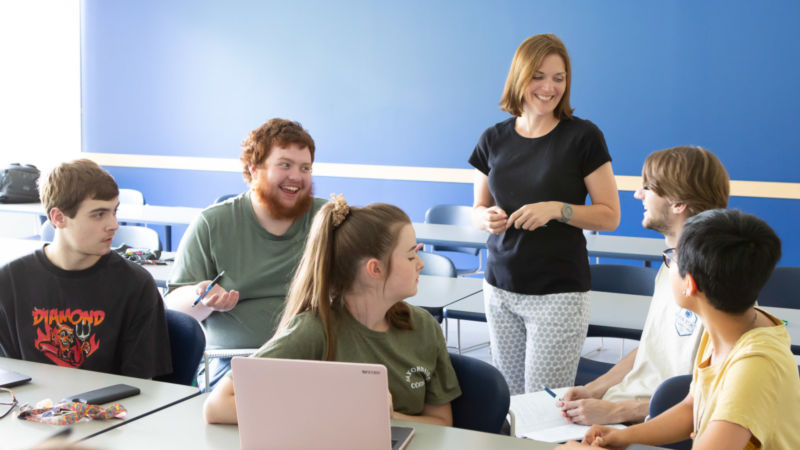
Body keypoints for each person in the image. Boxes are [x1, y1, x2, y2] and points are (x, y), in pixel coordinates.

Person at [203, 196, 461, 425]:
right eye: (410, 256)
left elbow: (441, 421)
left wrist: (389, 418)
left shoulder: (424, 327)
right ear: (375, 269)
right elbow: (217, 406)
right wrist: (337, 410)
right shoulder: (314, 329)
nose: (421, 263)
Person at [558, 209, 800, 449]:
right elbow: (691, 407)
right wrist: (625, 436)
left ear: (690, 284)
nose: (669, 262)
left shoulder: (754, 366)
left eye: (673, 257)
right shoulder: (726, 328)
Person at [469, 33, 621, 394]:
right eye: (538, 76)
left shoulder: (584, 137)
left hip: (558, 295)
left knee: (541, 406)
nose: (549, 87)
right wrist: (484, 217)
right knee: (508, 400)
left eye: (559, 77)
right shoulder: (493, 138)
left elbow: (610, 216)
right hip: (499, 288)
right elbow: (476, 208)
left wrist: (558, 209)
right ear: (520, 77)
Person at [557, 146, 730, 425]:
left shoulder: (719, 283)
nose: (638, 194)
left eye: (647, 187)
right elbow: (652, 349)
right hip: (621, 408)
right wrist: (594, 389)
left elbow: (719, 393)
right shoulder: (670, 266)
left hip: (656, 424)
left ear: (677, 203)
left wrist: (616, 412)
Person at [165, 118, 326, 388]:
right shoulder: (213, 223)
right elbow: (174, 309)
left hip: (311, 361)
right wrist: (201, 297)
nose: (297, 176)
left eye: (305, 167)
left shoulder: (327, 218)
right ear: (254, 170)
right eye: (285, 164)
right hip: (234, 363)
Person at [0, 159, 171, 378]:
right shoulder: (10, 283)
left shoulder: (135, 285)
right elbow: (7, 377)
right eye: (99, 214)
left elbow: (144, 384)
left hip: (112, 409)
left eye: (114, 211)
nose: (114, 224)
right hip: (29, 409)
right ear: (58, 218)